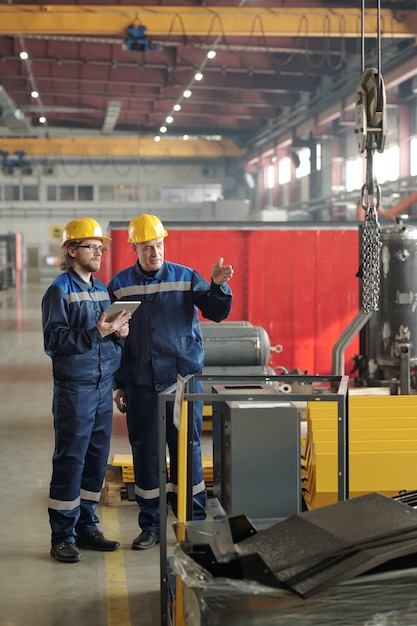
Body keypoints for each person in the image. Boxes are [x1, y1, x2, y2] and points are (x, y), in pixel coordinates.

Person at [108, 214, 234, 550]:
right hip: (140, 383)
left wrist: (219, 286)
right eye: (147, 247)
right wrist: (118, 383)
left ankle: (190, 522)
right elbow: (114, 340)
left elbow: (216, 311)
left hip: (181, 383)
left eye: (159, 245)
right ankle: (151, 525)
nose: (154, 252)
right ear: (135, 248)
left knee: (187, 450)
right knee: (146, 453)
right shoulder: (120, 286)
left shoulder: (185, 278)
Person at [42, 217, 132, 563]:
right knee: (70, 460)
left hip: (101, 387)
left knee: (95, 461)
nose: (99, 252)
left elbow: (104, 338)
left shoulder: (101, 289)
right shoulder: (59, 291)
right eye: (92, 247)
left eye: (101, 247)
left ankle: (86, 526)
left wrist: (119, 336)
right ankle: (62, 535)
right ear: (71, 250)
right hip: (74, 390)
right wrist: (97, 332)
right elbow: (54, 341)